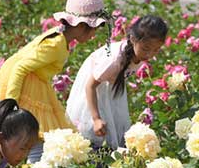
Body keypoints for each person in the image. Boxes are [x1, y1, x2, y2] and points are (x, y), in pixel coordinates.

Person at [0, 0, 108, 163]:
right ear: (83, 26)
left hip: (35, 85)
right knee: (38, 139)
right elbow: (20, 68)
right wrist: (11, 104)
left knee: (34, 137)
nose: (93, 35)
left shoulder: (58, 35)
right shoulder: (56, 44)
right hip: (23, 87)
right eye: (94, 30)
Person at [67, 15, 168, 150]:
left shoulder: (136, 54)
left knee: (114, 130)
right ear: (133, 39)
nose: (150, 54)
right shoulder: (114, 60)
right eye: (146, 48)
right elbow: (90, 86)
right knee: (91, 135)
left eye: (156, 49)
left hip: (109, 90)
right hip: (93, 94)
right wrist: (96, 119)